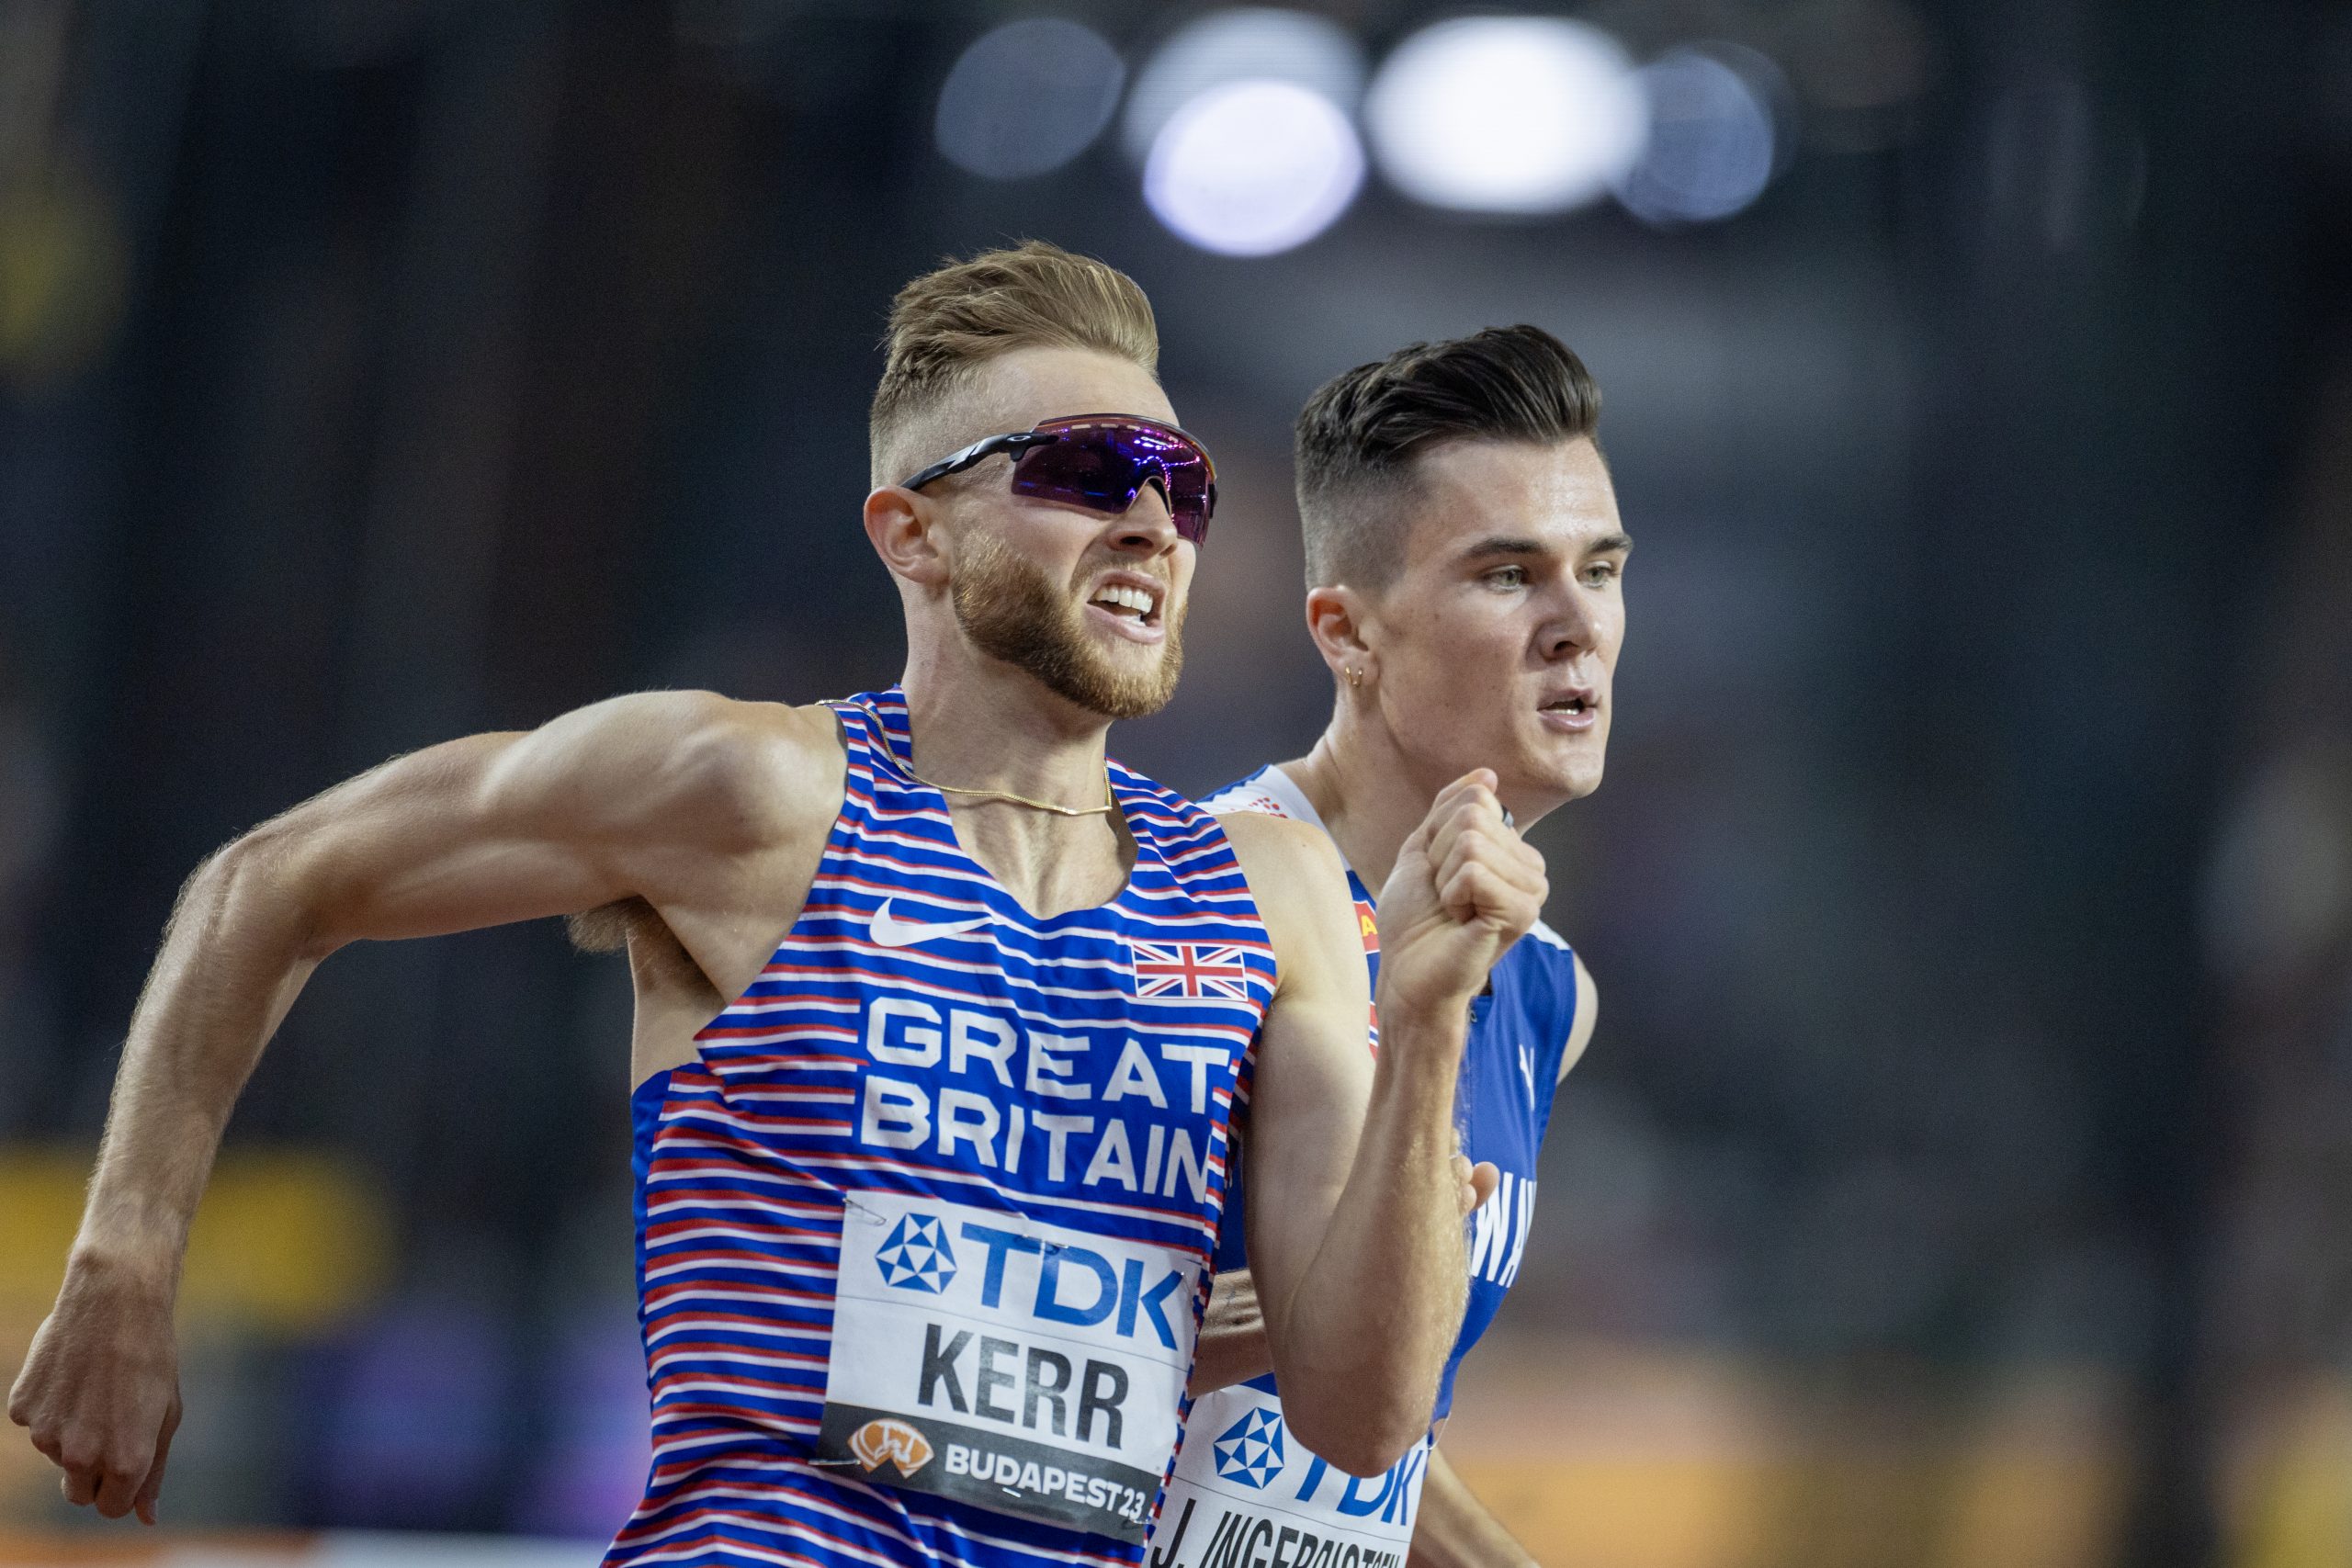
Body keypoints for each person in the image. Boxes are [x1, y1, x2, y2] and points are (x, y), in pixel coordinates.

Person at [6, 243, 1545, 1568]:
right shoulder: (758, 796)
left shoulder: (1272, 893)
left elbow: (1356, 1417)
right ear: (912, 534)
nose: (1154, 525)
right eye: (1088, 474)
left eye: (1184, 487)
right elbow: (273, 877)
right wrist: (127, 1262)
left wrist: (1424, 1026)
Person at [1146, 327, 1622, 1568]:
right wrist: (1307, 1311)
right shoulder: (1178, 898)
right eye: (1510, 574)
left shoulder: (1543, 990)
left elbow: (1370, 1436)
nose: (1579, 624)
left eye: (1603, 568)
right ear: (1348, 635)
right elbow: (957, 1342)